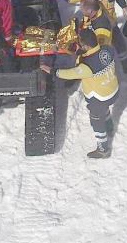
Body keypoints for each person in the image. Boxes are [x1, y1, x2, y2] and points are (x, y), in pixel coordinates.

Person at [54, 0, 127, 74]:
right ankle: (79, 72)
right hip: (93, 26)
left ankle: (126, 66)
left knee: (120, 44)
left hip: (110, 23)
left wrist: (124, 7)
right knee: (88, 51)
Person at [51, 29, 119, 159]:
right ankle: (109, 128)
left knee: (96, 121)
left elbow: (71, 73)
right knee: (104, 109)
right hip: (113, 89)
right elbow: (95, 57)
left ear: (86, 46)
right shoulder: (107, 48)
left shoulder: (87, 64)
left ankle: (103, 149)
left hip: (99, 97)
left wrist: (53, 71)